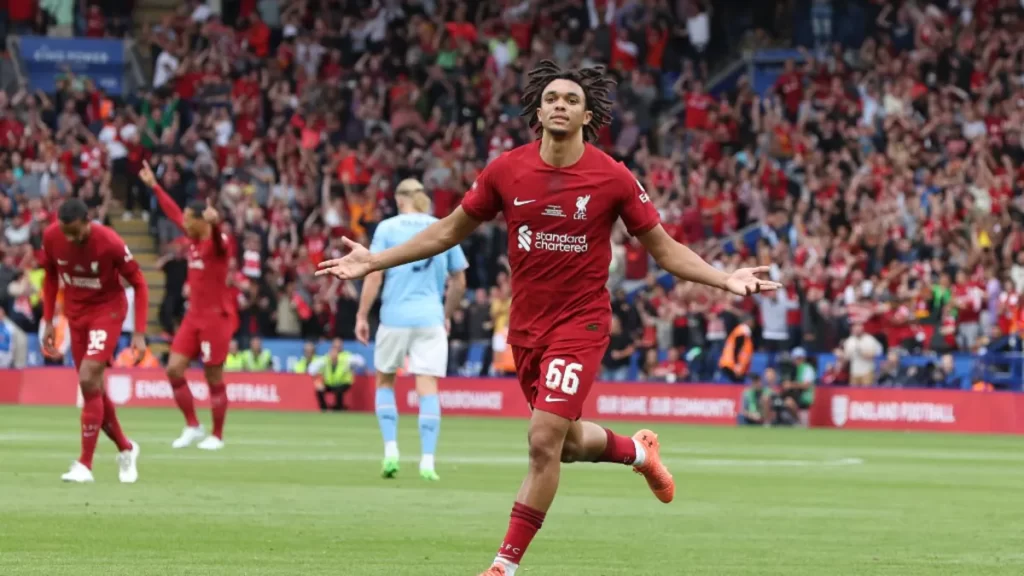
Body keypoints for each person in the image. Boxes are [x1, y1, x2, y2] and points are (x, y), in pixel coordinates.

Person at [316, 60, 781, 576]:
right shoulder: (506, 170)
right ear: (538, 110)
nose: (561, 104)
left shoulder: (613, 177)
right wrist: (375, 261)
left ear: (587, 115)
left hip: (581, 324)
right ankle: (639, 453)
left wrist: (725, 278)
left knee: (542, 442)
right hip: (527, 329)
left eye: (571, 100)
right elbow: (448, 232)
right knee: (568, 442)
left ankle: (503, 566)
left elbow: (665, 251)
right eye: (553, 98)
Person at [355, 178, 468, 481]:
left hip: (394, 317)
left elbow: (373, 273)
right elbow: (459, 281)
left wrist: (362, 315)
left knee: (385, 381)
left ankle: (391, 450)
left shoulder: (388, 228)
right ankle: (427, 461)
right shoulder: (443, 225)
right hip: (430, 318)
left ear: (399, 199)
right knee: (427, 386)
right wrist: (446, 314)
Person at [41, 198, 147, 483]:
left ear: (88, 221)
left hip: (108, 311)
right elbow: (50, 276)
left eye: (76, 232)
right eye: (66, 232)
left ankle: (84, 465)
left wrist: (138, 332)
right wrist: (49, 320)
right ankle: (126, 448)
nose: (71, 238)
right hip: (76, 315)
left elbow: (139, 282)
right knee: (93, 388)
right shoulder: (52, 236)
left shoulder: (109, 242)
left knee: (88, 378)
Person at [140, 161, 236, 451]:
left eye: (188, 219)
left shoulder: (218, 243)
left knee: (213, 376)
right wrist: (154, 186)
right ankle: (193, 425)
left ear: (201, 221)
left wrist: (217, 221)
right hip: (193, 318)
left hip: (216, 319)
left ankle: (217, 435)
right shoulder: (192, 242)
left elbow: (221, 243)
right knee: (174, 370)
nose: (183, 221)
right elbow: (171, 211)